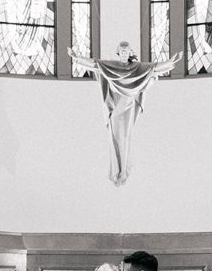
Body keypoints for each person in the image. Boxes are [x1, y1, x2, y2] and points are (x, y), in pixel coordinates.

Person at [68, 43, 182, 185]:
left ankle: (123, 169)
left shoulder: (138, 68)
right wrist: (78, 58)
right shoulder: (111, 66)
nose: (123, 54)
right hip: (116, 105)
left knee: (125, 136)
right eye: (121, 51)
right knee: (115, 135)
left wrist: (171, 61)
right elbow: (95, 64)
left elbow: (154, 68)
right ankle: (117, 169)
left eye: (126, 51)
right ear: (118, 53)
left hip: (128, 104)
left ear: (130, 53)